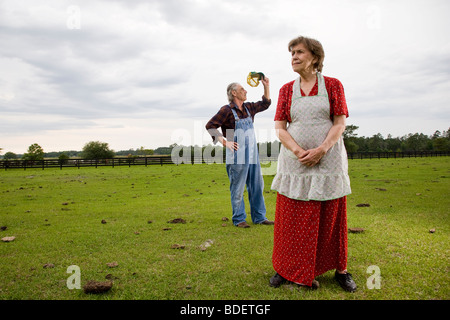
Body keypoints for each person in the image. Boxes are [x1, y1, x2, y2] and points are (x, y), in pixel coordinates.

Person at [269, 36, 356, 292]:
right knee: (291, 218)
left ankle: (341, 270)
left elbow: (339, 123)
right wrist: (298, 151)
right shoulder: (286, 90)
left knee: (331, 216)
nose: (293, 57)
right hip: (295, 163)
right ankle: (285, 269)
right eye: (291, 53)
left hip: (328, 161)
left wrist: (321, 149)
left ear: (315, 57)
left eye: (299, 52)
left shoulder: (333, 85)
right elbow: (279, 128)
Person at [205, 77, 274, 228]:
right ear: (234, 93)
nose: (246, 91)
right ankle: (239, 219)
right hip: (236, 155)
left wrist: (266, 86)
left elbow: (265, 104)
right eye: (243, 89)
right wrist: (224, 141)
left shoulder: (249, 108)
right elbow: (210, 125)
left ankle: (260, 217)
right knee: (237, 187)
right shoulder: (226, 110)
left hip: (252, 155)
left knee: (257, 186)